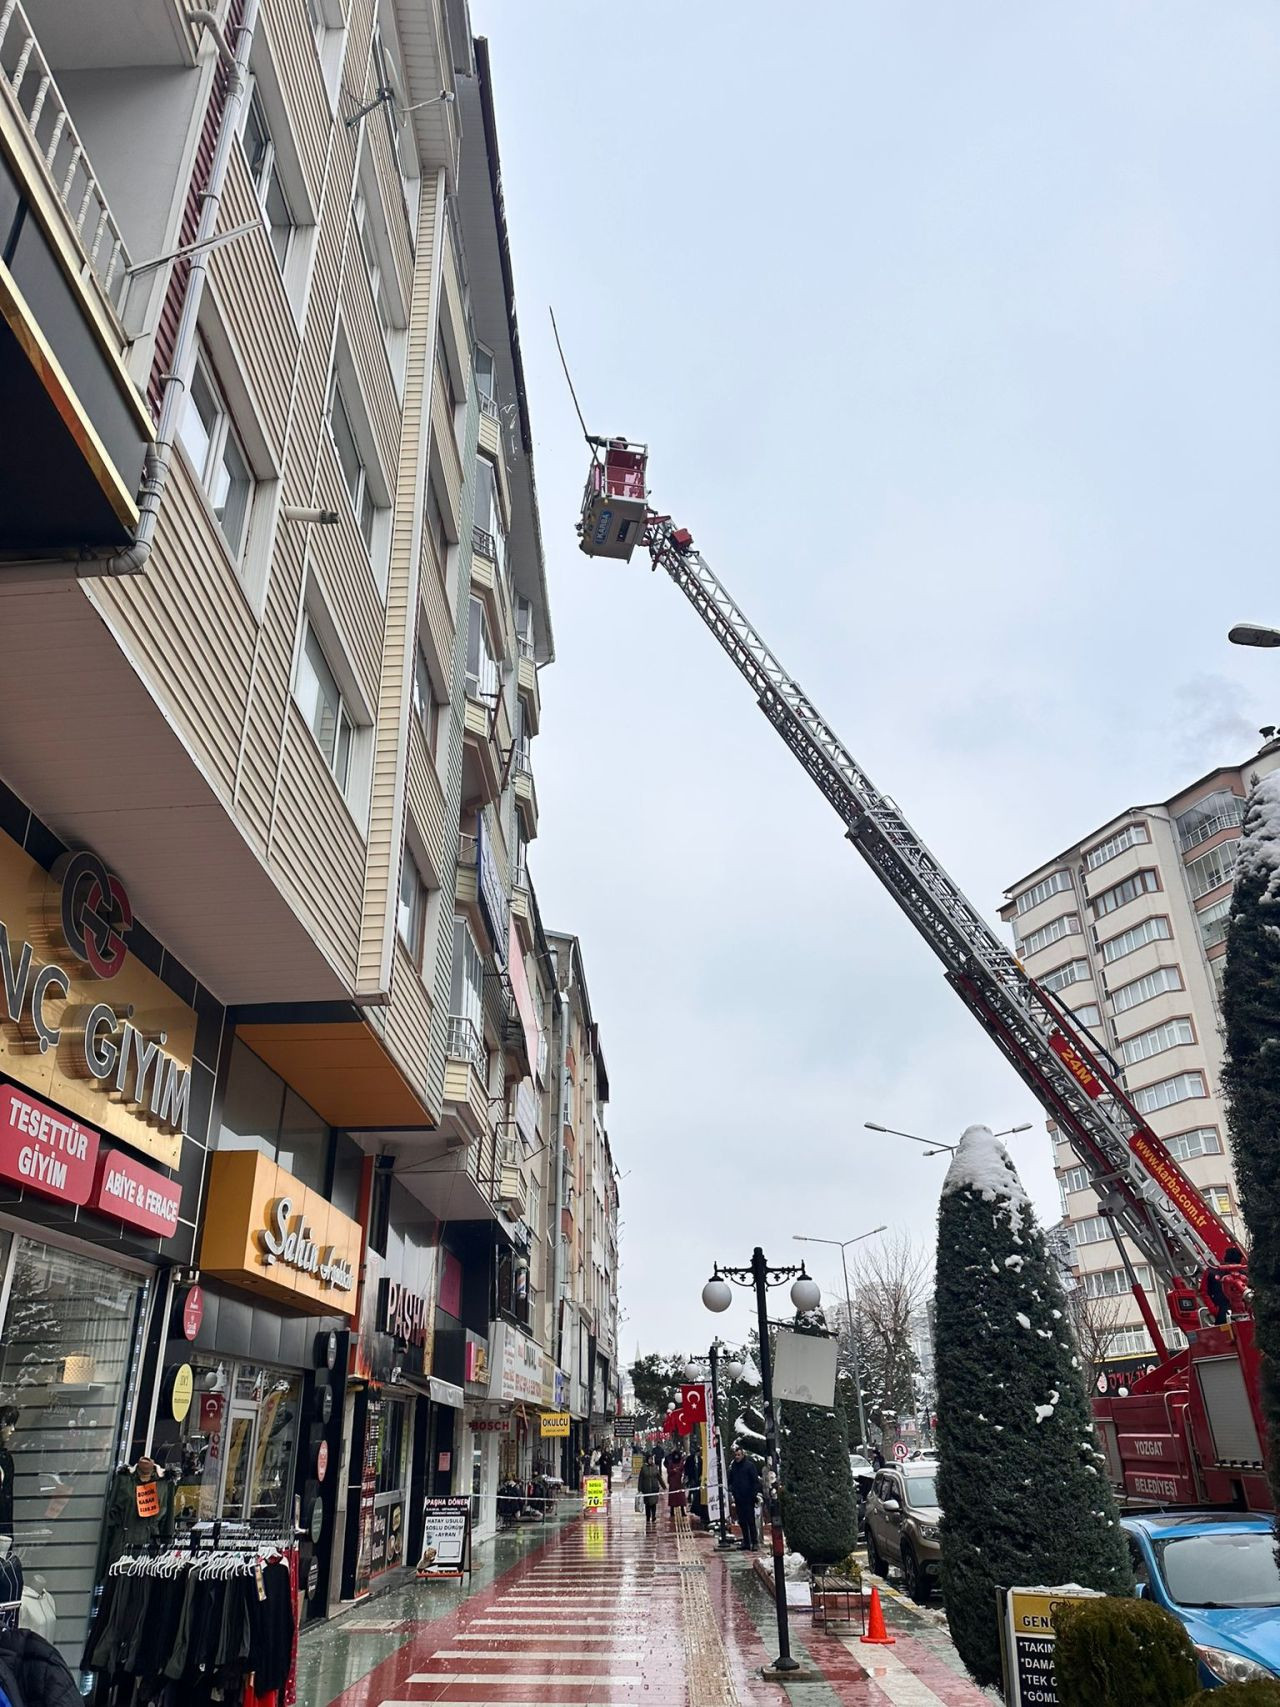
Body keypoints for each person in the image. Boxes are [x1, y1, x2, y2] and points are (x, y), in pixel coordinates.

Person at [727, 1445, 761, 1551]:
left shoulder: (749, 1466)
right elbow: (730, 1480)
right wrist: (732, 1490)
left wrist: (753, 1495)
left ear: (743, 1455)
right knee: (742, 1521)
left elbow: (755, 1481)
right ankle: (746, 1542)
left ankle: (754, 1542)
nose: (737, 1457)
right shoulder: (734, 1467)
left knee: (750, 1521)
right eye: (736, 1455)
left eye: (739, 1455)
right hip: (738, 1498)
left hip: (748, 1498)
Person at [637, 1452, 664, 1529]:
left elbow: (659, 1477)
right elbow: (640, 1479)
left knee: (654, 1503)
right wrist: (640, 1489)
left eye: (651, 1459)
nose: (650, 1460)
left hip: (654, 1488)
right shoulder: (643, 1468)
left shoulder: (655, 1467)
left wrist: (663, 1486)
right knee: (648, 1504)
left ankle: (654, 1516)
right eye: (649, 1459)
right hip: (646, 1489)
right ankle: (648, 1517)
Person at [664, 1446, 686, 1523]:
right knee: (673, 1497)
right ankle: (672, 1511)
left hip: (679, 1482)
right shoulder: (671, 1463)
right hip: (673, 1482)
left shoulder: (681, 1462)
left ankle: (683, 1511)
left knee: (681, 1498)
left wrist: (679, 1473)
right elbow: (669, 1471)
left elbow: (683, 1470)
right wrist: (673, 1471)